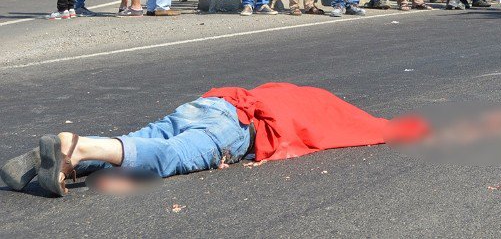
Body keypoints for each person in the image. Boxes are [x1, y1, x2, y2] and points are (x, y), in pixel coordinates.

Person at [2, 83, 425, 197]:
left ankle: (71, 159)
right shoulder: (330, 111)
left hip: (211, 102)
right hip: (237, 125)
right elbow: (366, 130)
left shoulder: (289, 89)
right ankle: (81, 145)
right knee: (171, 156)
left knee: (145, 136)